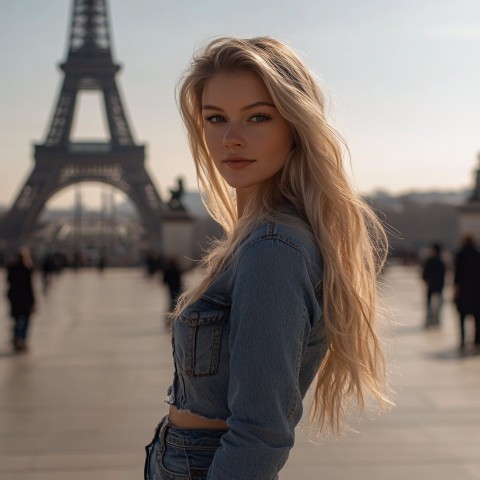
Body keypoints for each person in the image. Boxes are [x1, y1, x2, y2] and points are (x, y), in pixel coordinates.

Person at [145, 37, 392, 480]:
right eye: (215, 118)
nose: (232, 138)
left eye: (258, 117)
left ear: (295, 126)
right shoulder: (260, 237)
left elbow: (261, 431)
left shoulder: (272, 248)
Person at [6, 247, 36, 352]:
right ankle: (22, 339)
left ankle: (16, 337)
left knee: (16, 319)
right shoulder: (27, 269)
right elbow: (30, 287)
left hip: (14, 298)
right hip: (25, 299)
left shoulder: (12, 268)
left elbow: (9, 281)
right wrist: (33, 301)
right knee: (26, 320)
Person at [454, 234, 480, 350]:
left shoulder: (460, 255)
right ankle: (477, 341)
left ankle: (462, 341)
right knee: (477, 319)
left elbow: (457, 276)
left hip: (464, 292)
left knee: (462, 318)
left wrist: (455, 292)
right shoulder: (478, 254)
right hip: (477, 293)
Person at [422, 242, 446, 328]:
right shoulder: (441, 261)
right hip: (437, 286)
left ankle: (431, 320)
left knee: (430, 304)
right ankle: (434, 320)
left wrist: (427, 281)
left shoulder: (431, 261)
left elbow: (424, 274)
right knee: (436, 305)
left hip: (432, 285)